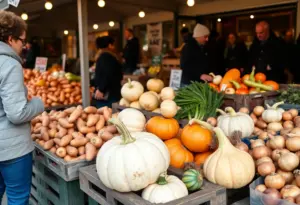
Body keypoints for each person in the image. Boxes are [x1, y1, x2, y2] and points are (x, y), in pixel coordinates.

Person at [0, 11, 44, 204]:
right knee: (17, 198)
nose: (24, 46)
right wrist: (38, 103)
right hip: (11, 148)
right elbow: (17, 114)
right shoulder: (9, 64)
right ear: (10, 39)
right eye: (22, 40)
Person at [93, 36, 123, 108]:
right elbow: (107, 73)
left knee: (106, 113)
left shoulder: (104, 56)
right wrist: (101, 89)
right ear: (109, 45)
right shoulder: (107, 56)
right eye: (113, 44)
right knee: (107, 113)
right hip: (108, 92)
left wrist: (100, 89)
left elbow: (107, 73)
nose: (114, 47)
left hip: (108, 92)